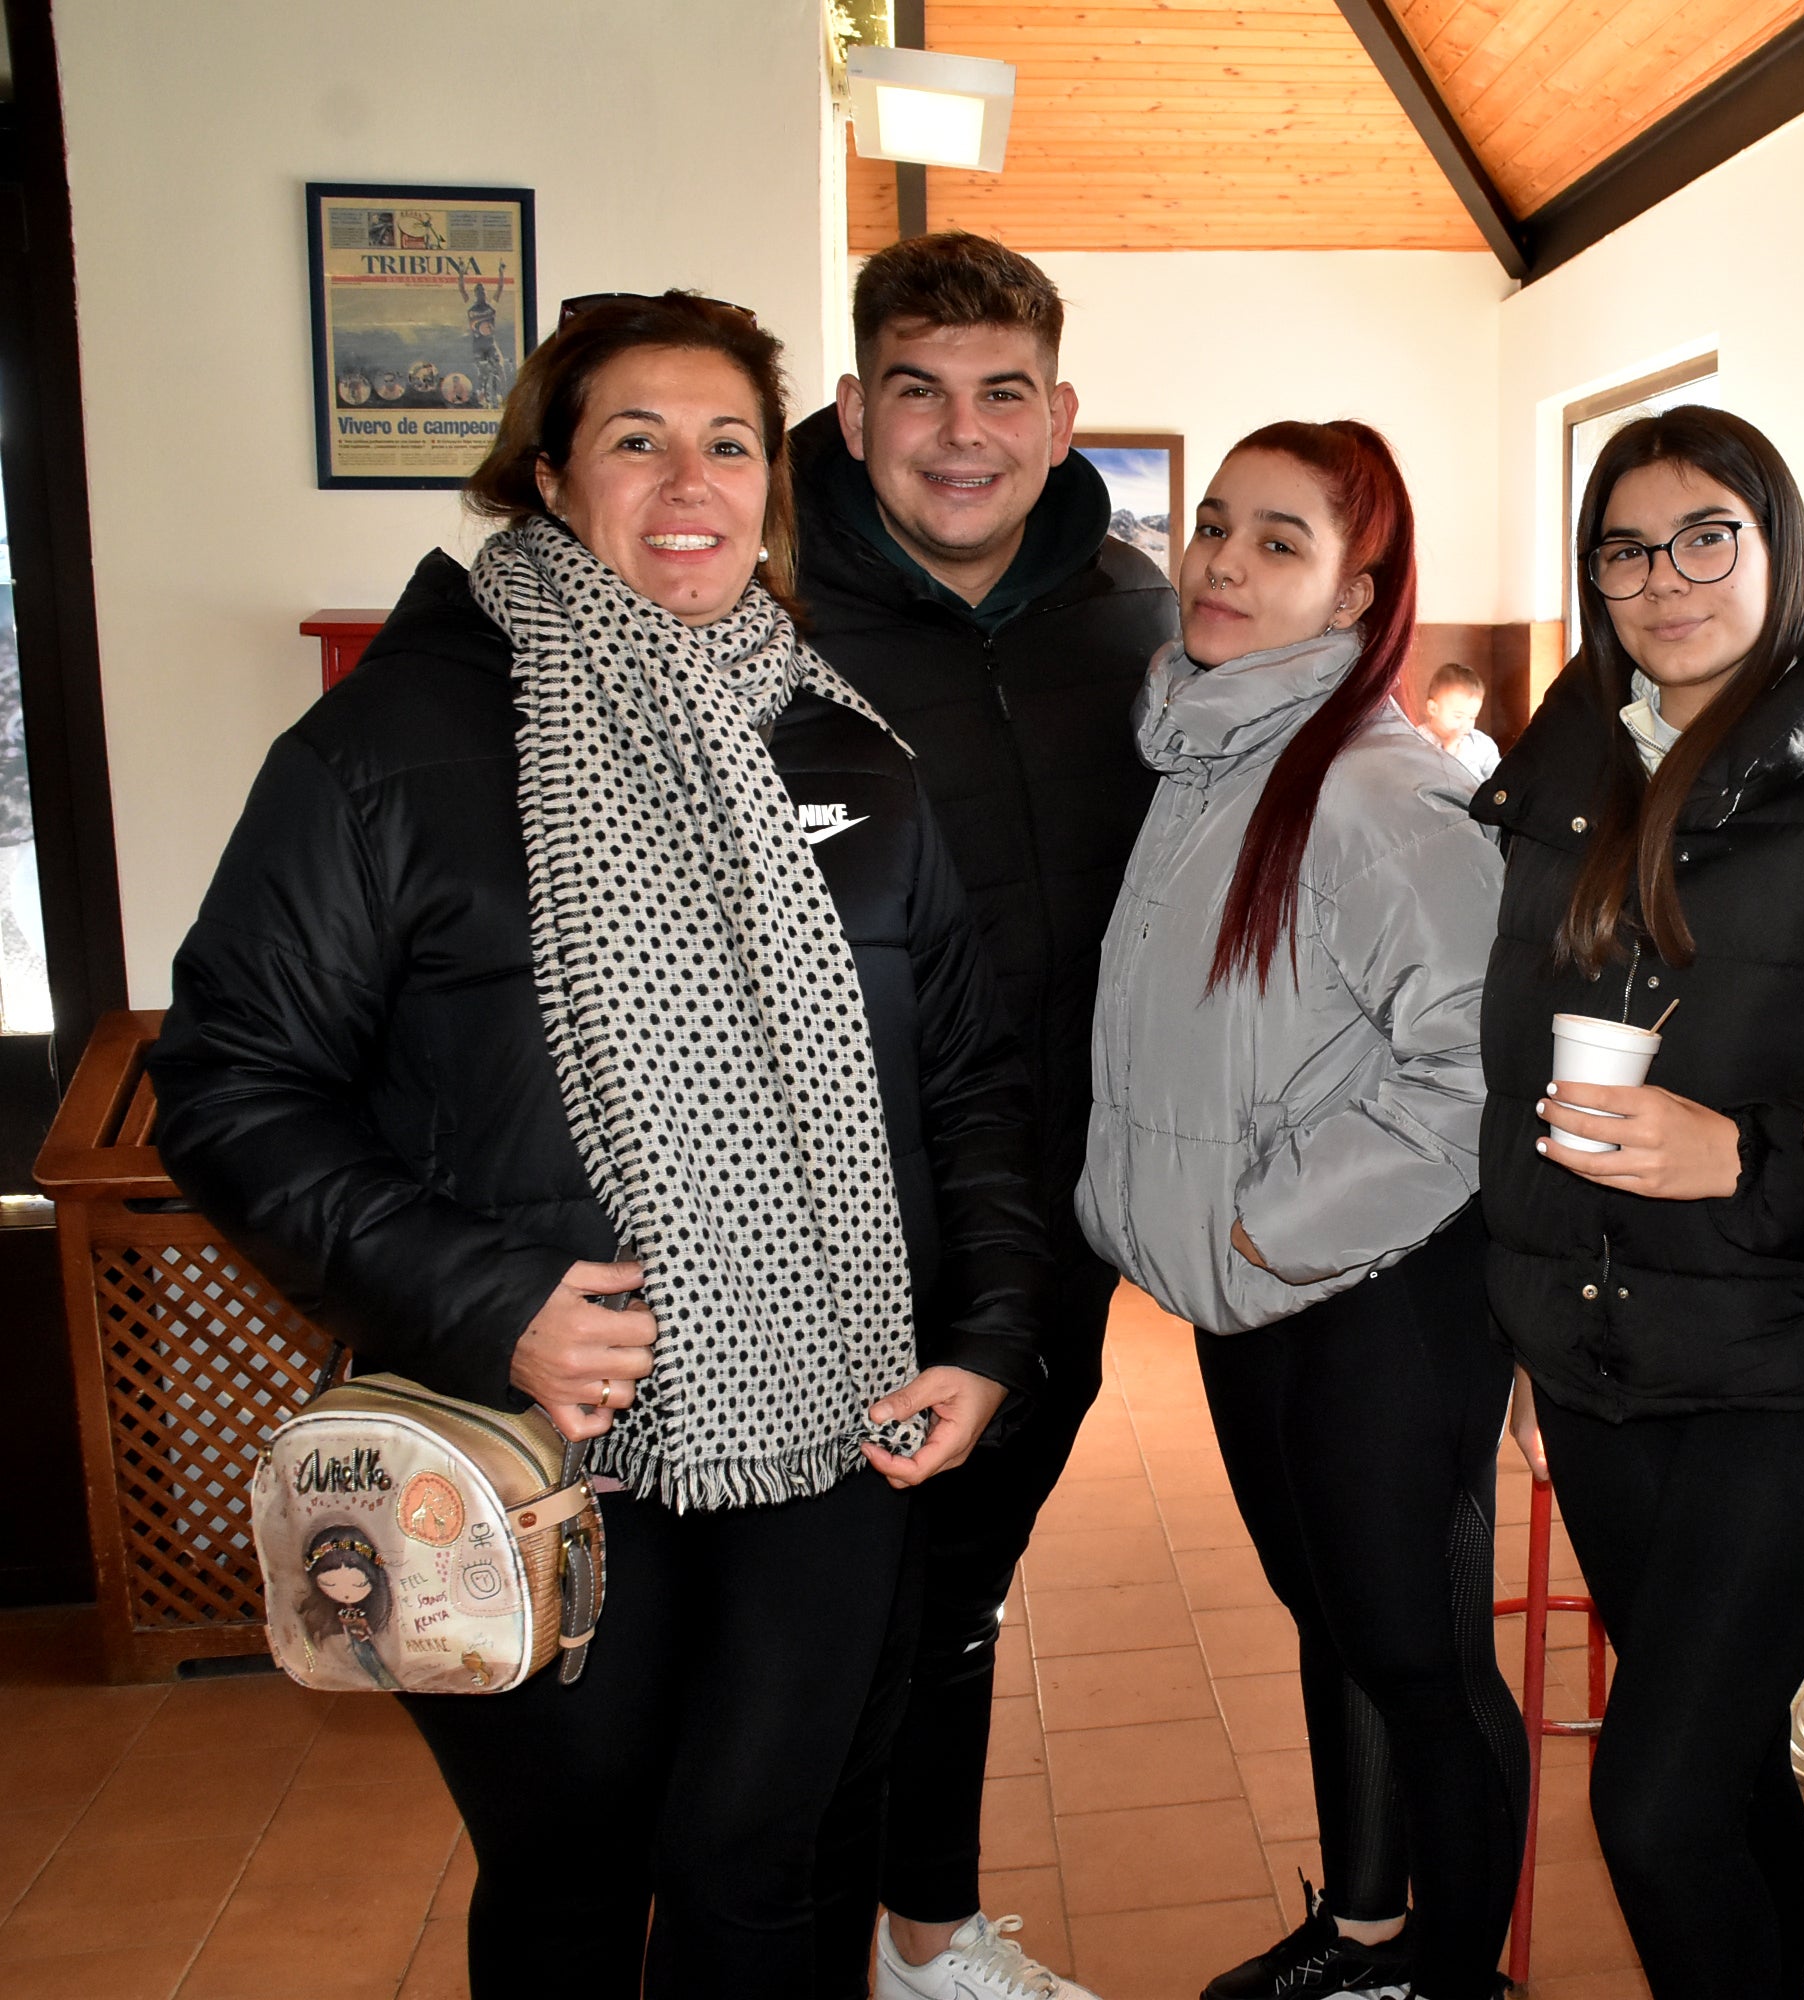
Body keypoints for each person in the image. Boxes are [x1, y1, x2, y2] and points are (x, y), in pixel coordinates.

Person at [146, 292, 1049, 2000]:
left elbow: (971, 1083)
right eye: (636, 439)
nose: (690, 480)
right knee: (571, 1877)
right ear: (551, 478)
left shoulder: (850, 747)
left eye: (728, 443)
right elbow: (234, 1085)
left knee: (755, 1866)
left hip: (832, 1425)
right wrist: (492, 1299)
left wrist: (988, 1336)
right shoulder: (384, 754)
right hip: (534, 1448)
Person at [1476, 406, 1804, 1999]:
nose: (1663, 579)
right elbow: (1510, 1089)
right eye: (1624, 549)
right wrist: (1531, 1335)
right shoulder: (1561, 787)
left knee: (1652, 1800)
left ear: (1776, 546)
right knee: (1721, 1769)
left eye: (1704, 536)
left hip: (1788, 1379)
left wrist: (1743, 1156)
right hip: (1603, 1374)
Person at [1078, 421, 1523, 2000]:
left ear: (1359, 591)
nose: (1219, 563)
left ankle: (1456, 1980)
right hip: (1252, 1294)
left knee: (1416, 1652)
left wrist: (1267, 1230)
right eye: (1214, 526)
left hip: (1372, 1294)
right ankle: (1364, 1935)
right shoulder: (1208, 760)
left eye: (1279, 541)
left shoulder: (1380, 788)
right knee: (1331, 1619)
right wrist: (1225, 1245)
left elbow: (1476, 1071)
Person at [790, 229, 1175, 2000]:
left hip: (1054, 1214)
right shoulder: (757, 597)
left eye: (1001, 393)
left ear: (1061, 412)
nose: (962, 435)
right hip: (814, 1215)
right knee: (806, 1608)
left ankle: (917, 1934)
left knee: (960, 1581)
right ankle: (814, 1931)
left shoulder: (1137, 615)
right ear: (856, 406)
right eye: (920, 392)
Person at [1417, 661, 1501, 782]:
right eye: (1458, 716)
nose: (1466, 725)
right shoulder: (1418, 740)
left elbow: (1498, 779)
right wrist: (1450, 753)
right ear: (1433, 709)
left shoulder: (1480, 743)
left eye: (1472, 717)